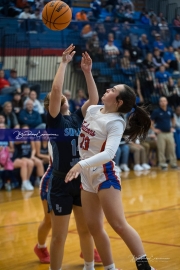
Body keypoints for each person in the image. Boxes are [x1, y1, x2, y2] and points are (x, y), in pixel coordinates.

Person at [65, 84, 156, 270]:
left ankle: (145, 266)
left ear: (118, 101)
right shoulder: (92, 109)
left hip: (104, 173)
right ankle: (110, 267)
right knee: (94, 227)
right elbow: (92, 95)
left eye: (113, 89)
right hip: (86, 176)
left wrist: (80, 164)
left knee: (118, 224)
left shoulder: (116, 122)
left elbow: (109, 154)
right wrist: (87, 71)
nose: (108, 89)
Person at [46, 45, 101, 270]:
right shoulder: (55, 122)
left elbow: (94, 98)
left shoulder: (78, 117)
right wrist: (63, 64)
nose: (60, 96)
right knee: (59, 237)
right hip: (61, 181)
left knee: (85, 230)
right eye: (55, 98)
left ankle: (89, 266)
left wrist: (87, 72)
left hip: (82, 180)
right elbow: (57, 90)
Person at [151, 96, 177, 170]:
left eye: (164, 101)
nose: (163, 102)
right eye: (161, 101)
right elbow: (150, 122)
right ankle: (162, 164)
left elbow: (173, 118)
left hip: (169, 133)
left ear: (167, 102)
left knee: (171, 149)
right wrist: (154, 130)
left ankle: (173, 164)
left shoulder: (170, 110)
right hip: (161, 134)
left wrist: (173, 126)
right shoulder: (156, 111)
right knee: (161, 149)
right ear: (159, 103)